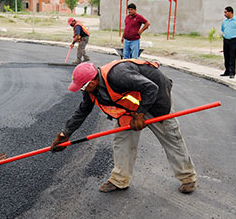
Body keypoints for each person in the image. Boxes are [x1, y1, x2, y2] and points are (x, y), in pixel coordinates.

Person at [50, 59, 197, 194]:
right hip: (131, 108)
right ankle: (120, 179)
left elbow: (151, 88)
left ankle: (187, 177)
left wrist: (140, 114)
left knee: (171, 137)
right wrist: (65, 134)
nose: (83, 91)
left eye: (83, 87)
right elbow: (82, 111)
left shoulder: (118, 75)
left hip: (156, 98)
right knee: (121, 140)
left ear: (92, 81)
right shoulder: (91, 90)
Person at [220, 6, 236, 79]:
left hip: (233, 40)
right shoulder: (224, 22)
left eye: (226, 12)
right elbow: (223, 30)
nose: (225, 14)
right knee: (226, 55)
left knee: (232, 56)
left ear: (230, 12)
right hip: (226, 39)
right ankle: (227, 71)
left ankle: (232, 72)